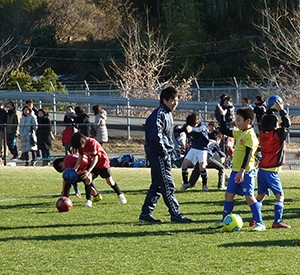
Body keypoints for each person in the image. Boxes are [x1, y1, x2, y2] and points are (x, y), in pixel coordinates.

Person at [139, 86, 191, 223]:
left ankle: (145, 214)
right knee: (167, 183)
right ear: (164, 100)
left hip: (162, 152)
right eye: (172, 100)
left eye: (177, 100)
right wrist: (163, 152)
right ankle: (176, 214)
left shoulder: (167, 113)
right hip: (158, 153)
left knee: (157, 184)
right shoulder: (159, 114)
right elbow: (156, 136)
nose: (175, 103)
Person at [211, 107, 266, 231]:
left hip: (246, 172)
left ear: (248, 121)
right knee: (229, 195)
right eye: (236, 119)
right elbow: (224, 130)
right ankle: (224, 220)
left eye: (239, 120)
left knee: (249, 197)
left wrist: (241, 171)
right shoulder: (240, 132)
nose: (237, 122)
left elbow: (248, 155)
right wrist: (223, 116)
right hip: (236, 171)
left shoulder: (250, 135)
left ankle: (260, 222)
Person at [256, 97, 291, 228]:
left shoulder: (262, 133)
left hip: (262, 170)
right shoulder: (277, 135)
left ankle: (255, 218)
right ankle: (277, 222)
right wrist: (282, 111)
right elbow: (287, 124)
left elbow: (267, 119)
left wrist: (271, 110)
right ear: (274, 125)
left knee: (260, 196)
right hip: (271, 172)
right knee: (280, 197)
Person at [70, 132, 127, 207]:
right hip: (92, 163)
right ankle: (88, 200)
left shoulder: (92, 142)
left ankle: (120, 195)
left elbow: (95, 158)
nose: (80, 148)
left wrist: (88, 171)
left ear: (82, 141)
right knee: (88, 179)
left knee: (110, 181)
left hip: (102, 162)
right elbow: (80, 156)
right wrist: (75, 168)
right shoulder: (81, 147)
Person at [179, 113, 212, 191]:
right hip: (194, 148)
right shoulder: (189, 125)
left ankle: (204, 185)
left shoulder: (203, 126)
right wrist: (178, 129)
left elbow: (199, 129)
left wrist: (192, 129)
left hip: (203, 149)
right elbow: (180, 129)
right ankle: (185, 183)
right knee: (184, 164)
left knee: (202, 167)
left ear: (197, 122)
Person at [214, 94, 235, 165]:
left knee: (229, 145)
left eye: (227, 102)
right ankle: (224, 159)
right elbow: (218, 115)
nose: (226, 103)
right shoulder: (222, 107)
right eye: (225, 101)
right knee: (223, 144)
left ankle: (229, 161)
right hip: (224, 126)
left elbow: (230, 114)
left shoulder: (230, 108)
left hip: (229, 128)